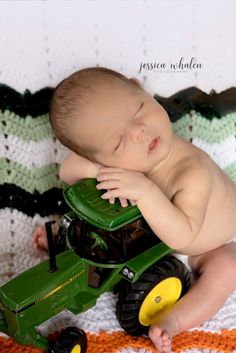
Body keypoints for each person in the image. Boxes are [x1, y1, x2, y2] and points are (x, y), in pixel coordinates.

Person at [33, 67, 236, 353]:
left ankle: (173, 321)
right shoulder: (124, 162)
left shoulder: (192, 174)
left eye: (138, 109)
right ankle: (68, 243)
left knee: (228, 269)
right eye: (117, 141)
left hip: (203, 243)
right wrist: (102, 170)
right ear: (100, 155)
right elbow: (68, 170)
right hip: (149, 237)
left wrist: (144, 190)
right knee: (108, 210)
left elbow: (182, 237)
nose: (138, 132)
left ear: (140, 88)